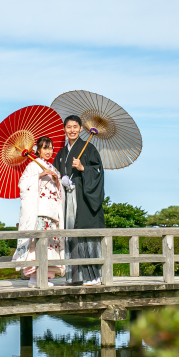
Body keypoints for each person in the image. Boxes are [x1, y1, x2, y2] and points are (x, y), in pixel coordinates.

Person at [54, 115, 105, 286]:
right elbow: (56, 174)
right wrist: (61, 180)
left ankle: (94, 276)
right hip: (68, 199)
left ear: (81, 128)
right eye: (69, 127)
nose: (72, 130)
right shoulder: (62, 153)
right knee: (71, 236)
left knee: (85, 235)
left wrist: (84, 168)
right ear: (64, 129)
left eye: (75, 127)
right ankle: (74, 277)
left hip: (84, 199)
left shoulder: (88, 148)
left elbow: (98, 172)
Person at [12, 136, 66, 288]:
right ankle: (34, 278)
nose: (48, 151)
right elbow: (22, 185)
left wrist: (57, 181)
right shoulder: (32, 167)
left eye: (50, 148)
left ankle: (45, 276)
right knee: (37, 244)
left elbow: (58, 191)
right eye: (45, 148)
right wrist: (40, 175)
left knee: (50, 244)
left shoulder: (53, 168)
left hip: (52, 211)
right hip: (39, 210)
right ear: (38, 151)